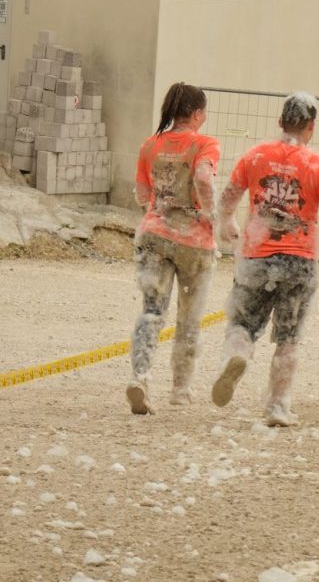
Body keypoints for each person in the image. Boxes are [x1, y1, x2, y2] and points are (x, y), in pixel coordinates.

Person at [211, 92, 319, 427]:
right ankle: (277, 405)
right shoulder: (318, 165)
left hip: (256, 256)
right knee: (289, 337)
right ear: (311, 126)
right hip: (300, 261)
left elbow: (227, 198)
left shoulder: (255, 155)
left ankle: (237, 354)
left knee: (242, 324)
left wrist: (227, 222)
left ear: (280, 121)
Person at [127, 82, 219, 415]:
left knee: (152, 311)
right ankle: (180, 390)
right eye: (203, 112)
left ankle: (140, 377)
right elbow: (204, 179)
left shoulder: (150, 145)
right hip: (194, 241)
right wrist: (211, 214)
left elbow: (141, 194)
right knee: (189, 318)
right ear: (196, 113)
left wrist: (159, 206)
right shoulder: (204, 144)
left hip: (155, 235)